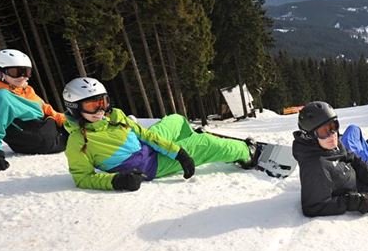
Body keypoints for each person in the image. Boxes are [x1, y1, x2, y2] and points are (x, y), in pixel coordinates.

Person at [62, 77, 259, 191]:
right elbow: (82, 178)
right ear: (74, 108)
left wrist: (178, 153)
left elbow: (145, 135)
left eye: (102, 103)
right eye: (91, 105)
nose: (100, 111)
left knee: (177, 119)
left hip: (146, 147)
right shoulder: (77, 141)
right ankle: (246, 153)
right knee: (207, 143)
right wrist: (116, 181)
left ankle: (188, 141)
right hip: (149, 165)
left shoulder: (116, 115)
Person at [0, 49, 67, 171]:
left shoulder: (25, 90)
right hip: (40, 141)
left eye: (26, 72)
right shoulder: (0, 96)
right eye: (15, 72)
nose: (22, 77)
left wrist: (67, 121)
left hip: (50, 134)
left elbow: (46, 109)